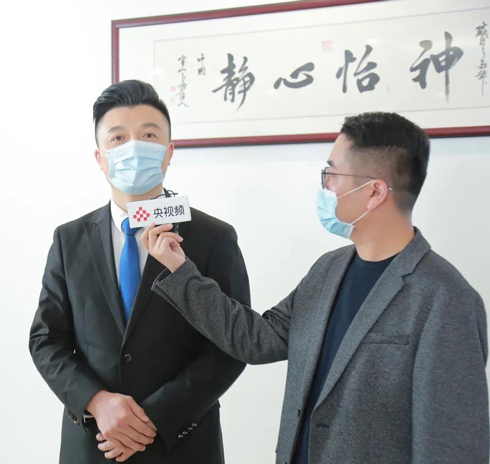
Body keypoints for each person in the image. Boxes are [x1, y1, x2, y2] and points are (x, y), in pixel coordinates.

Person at [143, 112, 489, 464]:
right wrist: (179, 269)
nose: (325, 186)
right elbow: (257, 339)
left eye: (331, 173)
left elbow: (452, 447)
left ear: (374, 192)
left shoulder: (446, 300)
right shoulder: (329, 270)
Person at [29, 80, 250, 463]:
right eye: (118, 138)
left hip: (182, 445)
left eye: (148, 136)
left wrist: (154, 418)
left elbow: (232, 344)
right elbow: (46, 339)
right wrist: (96, 401)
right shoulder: (69, 239)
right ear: (100, 158)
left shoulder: (213, 237)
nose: (133, 147)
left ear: (168, 152)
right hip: (94, 444)